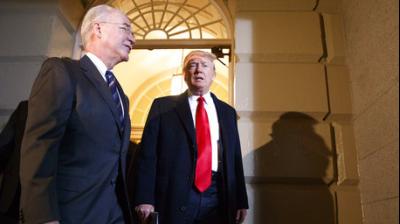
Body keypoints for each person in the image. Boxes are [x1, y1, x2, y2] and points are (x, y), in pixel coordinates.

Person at [19, 4, 135, 224]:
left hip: (113, 214)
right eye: (126, 29)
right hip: (70, 214)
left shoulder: (121, 95)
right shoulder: (61, 72)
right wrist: (42, 216)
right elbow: (40, 145)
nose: (133, 38)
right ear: (98, 29)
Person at [134, 50, 249, 224]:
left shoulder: (227, 112)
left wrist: (241, 199)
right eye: (192, 65)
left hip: (218, 194)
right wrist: (144, 198)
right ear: (185, 75)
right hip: (174, 193)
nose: (198, 70)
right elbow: (147, 156)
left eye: (204, 65)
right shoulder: (162, 107)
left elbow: (234, 157)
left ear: (213, 75)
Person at [0, 101, 28, 224]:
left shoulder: (25, 107)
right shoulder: (77, 111)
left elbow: (3, 148)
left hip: (12, 197)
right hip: (48, 207)